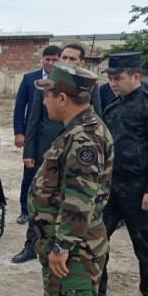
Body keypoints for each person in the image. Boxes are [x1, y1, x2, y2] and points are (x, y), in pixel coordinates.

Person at [25, 63, 113, 296]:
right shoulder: (76, 130)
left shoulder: (85, 138)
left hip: (75, 249)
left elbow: (79, 200)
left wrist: (61, 246)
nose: (44, 101)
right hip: (65, 244)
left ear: (62, 97)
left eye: (47, 95)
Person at [97, 52, 148, 296]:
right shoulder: (112, 107)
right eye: (110, 79)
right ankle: (98, 288)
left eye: (118, 78)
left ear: (136, 76)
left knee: (144, 242)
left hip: (139, 187)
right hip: (111, 185)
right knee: (98, 238)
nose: (113, 84)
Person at [13, 43, 102, 264]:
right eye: (65, 57)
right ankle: (32, 244)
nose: (67, 62)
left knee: (69, 197)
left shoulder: (88, 94)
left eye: (72, 59)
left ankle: (63, 246)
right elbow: (33, 118)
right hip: (47, 150)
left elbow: (96, 117)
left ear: (81, 62)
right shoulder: (49, 84)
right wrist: (29, 150)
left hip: (70, 152)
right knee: (41, 195)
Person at [14, 45, 60, 225]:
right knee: (29, 175)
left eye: (54, 59)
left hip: (55, 137)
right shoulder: (29, 79)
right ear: (42, 59)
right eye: (47, 59)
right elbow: (20, 108)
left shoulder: (64, 82)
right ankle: (25, 210)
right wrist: (19, 132)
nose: (50, 63)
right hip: (33, 136)